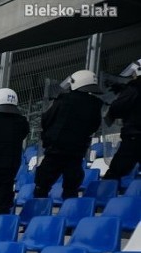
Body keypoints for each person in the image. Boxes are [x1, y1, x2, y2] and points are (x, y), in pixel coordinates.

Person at [33, 70, 103, 199]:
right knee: (71, 185)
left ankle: (39, 209)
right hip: (77, 151)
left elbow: (47, 119)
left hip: (56, 149)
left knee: (42, 184)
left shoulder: (63, 100)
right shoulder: (95, 104)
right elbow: (95, 126)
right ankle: (69, 207)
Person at [103, 58, 141, 181]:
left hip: (134, 136)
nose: (133, 77)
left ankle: (107, 196)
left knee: (115, 172)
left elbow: (118, 107)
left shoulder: (134, 88)